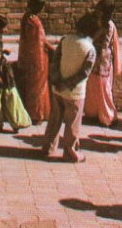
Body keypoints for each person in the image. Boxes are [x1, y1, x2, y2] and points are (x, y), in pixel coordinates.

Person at [42, 13, 99, 163]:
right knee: (72, 123)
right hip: (75, 93)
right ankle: (70, 152)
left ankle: (48, 147)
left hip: (57, 89)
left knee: (55, 119)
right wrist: (67, 84)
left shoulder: (65, 40)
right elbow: (84, 73)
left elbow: (55, 60)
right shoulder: (90, 49)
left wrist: (57, 81)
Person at [0, 15, 32, 132]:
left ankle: (17, 122)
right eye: (2, 28)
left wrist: (3, 52)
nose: (4, 30)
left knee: (11, 95)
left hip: (4, 70)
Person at [84, 0, 122, 127]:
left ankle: (108, 116)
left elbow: (104, 43)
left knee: (104, 88)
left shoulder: (109, 25)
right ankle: (93, 113)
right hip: (94, 59)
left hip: (103, 60)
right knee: (93, 86)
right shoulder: (97, 22)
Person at [18, 0, 54, 124]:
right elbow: (41, 41)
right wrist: (53, 49)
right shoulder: (35, 22)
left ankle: (34, 112)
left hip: (29, 56)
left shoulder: (26, 17)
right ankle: (37, 114)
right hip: (38, 58)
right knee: (38, 87)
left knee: (32, 86)